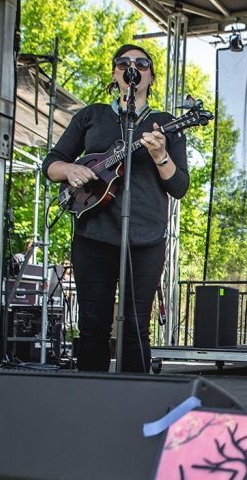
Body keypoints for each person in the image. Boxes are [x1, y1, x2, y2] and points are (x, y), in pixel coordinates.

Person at [43, 45, 189, 373]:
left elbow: (179, 186)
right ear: (114, 73)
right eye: (123, 63)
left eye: (141, 63)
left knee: (136, 327)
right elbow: (51, 163)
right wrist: (70, 171)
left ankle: (135, 410)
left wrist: (160, 156)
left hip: (146, 239)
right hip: (93, 236)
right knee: (93, 326)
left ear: (150, 76)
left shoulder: (165, 124)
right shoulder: (91, 115)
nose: (131, 67)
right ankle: (90, 404)